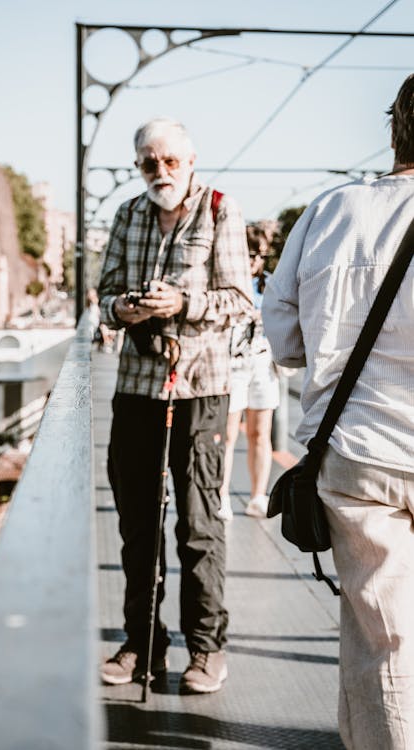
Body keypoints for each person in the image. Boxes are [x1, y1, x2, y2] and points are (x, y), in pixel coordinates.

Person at [262, 74, 414, 750]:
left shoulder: (329, 212)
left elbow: (287, 342)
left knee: (379, 635)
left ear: (394, 127)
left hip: (356, 454)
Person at [98, 117, 252, 694]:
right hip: (136, 387)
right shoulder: (127, 214)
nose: (159, 172)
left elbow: (239, 300)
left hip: (199, 389)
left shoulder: (219, 209)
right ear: (138, 165)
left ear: (190, 160)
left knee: (197, 524)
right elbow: (105, 290)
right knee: (138, 525)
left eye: (170, 161)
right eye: (147, 163)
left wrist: (184, 302)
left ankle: (207, 649)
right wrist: (127, 309)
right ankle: (142, 645)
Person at [218, 229, 280, 522]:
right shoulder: (228, 281)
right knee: (228, 433)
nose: (256, 261)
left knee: (260, 432)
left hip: (263, 363)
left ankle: (258, 495)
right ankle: (222, 496)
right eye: (251, 253)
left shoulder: (270, 284)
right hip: (232, 364)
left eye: (261, 255)